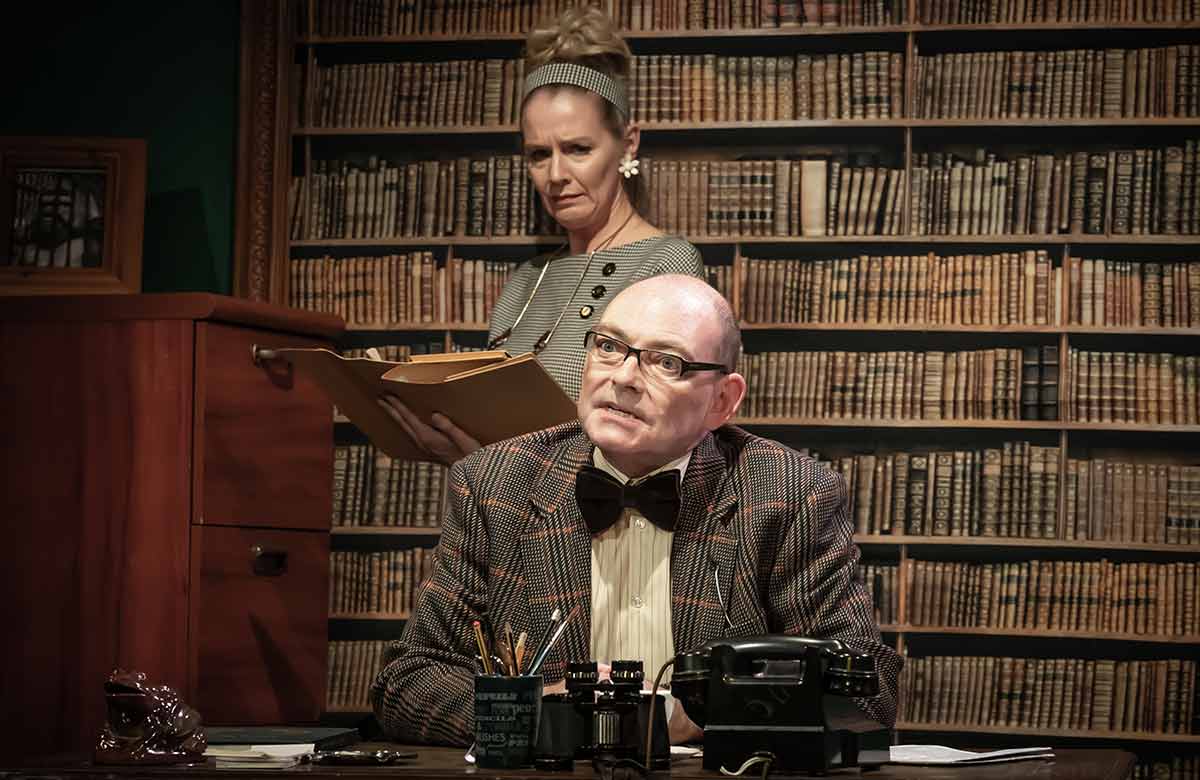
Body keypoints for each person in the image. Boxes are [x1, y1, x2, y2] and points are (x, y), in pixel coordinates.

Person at [371, 274, 902, 747]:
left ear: (722, 400)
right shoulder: (497, 483)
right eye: (609, 346)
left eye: (666, 362)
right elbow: (409, 680)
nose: (622, 377)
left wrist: (696, 715)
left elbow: (866, 697)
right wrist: (551, 714)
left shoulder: (791, 493)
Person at [382, 5, 704, 465]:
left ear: (628, 143)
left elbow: (659, 441)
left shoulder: (666, 266)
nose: (555, 174)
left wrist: (491, 463)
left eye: (578, 149)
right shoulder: (523, 283)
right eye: (538, 154)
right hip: (496, 523)